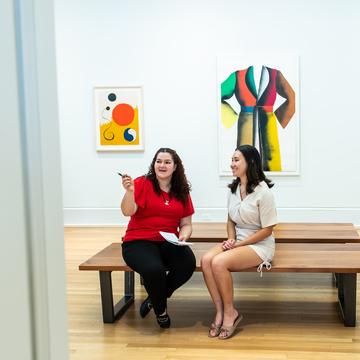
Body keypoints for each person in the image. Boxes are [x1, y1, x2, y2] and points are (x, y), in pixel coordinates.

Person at [201, 144, 277, 339]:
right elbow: (230, 220)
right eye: (232, 160)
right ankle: (219, 311)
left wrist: (238, 244)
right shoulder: (233, 188)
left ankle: (230, 313)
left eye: (236, 160)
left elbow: (268, 230)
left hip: (260, 245)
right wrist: (231, 239)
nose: (232, 164)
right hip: (238, 241)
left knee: (219, 262)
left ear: (250, 162)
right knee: (206, 260)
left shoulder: (263, 192)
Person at [120, 147, 196, 328]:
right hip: (138, 241)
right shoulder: (141, 183)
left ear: (175, 166)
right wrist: (130, 192)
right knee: (155, 270)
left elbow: (186, 224)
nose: (162, 165)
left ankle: (155, 298)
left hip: (168, 240)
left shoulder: (182, 191)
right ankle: (161, 311)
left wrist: (183, 236)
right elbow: (127, 212)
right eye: (158, 161)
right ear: (154, 164)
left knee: (188, 263)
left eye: (167, 162)